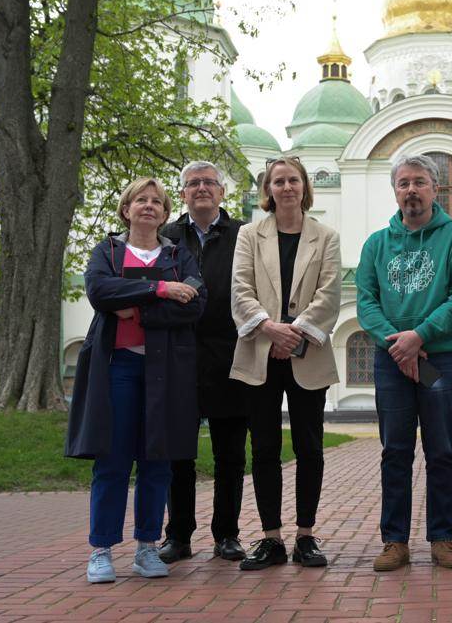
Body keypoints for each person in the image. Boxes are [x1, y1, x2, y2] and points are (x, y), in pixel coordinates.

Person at [65, 177, 206, 584]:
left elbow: (195, 305)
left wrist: (137, 310)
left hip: (166, 371)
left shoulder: (180, 255)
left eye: (156, 202)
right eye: (140, 200)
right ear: (126, 209)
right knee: (112, 460)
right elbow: (100, 291)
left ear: (164, 213)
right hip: (118, 368)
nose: (148, 206)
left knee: (156, 461)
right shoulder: (108, 251)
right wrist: (161, 288)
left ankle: (147, 547)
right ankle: (101, 550)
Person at [356, 154, 452, 572]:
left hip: (439, 358)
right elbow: (366, 302)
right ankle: (395, 541)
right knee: (395, 451)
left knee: (441, 450)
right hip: (392, 360)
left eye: (420, 182)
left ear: (435, 188)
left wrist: (418, 336)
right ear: (395, 191)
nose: (412, 190)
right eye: (404, 183)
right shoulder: (376, 244)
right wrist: (398, 345)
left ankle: (443, 537)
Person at [230, 157, 342, 570]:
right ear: (269, 189)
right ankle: (271, 538)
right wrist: (270, 329)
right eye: (279, 181)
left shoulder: (325, 236)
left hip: (307, 353)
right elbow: (240, 288)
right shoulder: (248, 235)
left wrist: (294, 334)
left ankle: (306, 536)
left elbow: (330, 294)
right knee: (264, 448)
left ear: (304, 186)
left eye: (293, 179)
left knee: (310, 447)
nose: (287, 187)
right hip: (261, 351)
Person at [157, 161, 248, 565]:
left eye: (209, 182)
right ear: (182, 194)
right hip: (179, 356)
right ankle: (177, 535)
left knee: (230, 453)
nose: (201, 189)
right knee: (179, 452)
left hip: (229, 353)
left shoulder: (243, 234)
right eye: (193, 183)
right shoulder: (167, 237)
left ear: (222, 192)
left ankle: (227, 534)